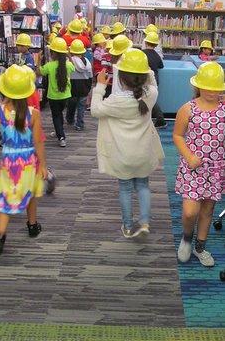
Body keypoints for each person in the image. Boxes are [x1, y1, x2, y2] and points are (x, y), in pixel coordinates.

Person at [91, 49, 164, 238]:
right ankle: (145, 222)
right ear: (144, 75)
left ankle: (128, 226)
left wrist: (99, 86)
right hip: (144, 153)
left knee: (125, 189)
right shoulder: (151, 94)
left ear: (120, 77)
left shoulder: (115, 101)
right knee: (143, 186)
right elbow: (152, 82)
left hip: (122, 155)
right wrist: (146, 71)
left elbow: (95, 110)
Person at [0, 65, 47, 256]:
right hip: (29, 161)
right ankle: (33, 225)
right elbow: (38, 141)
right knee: (31, 193)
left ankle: (0, 235)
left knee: (5, 195)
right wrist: (42, 164)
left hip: (8, 161)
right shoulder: (33, 113)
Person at [174, 61, 224, 267]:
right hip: (192, 168)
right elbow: (177, 135)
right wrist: (189, 156)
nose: (212, 93)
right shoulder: (188, 109)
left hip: (216, 168)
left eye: (217, 89)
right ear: (197, 86)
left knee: (207, 210)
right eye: (207, 87)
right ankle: (187, 237)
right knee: (190, 212)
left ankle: (200, 246)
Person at [39, 37, 74, 147]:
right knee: (59, 114)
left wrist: (38, 60)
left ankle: (61, 136)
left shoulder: (49, 65)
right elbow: (74, 67)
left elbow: (38, 72)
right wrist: (69, 55)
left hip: (53, 96)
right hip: (66, 95)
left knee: (56, 116)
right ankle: (59, 131)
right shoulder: (68, 65)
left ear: (53, 53)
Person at [66, 39, 92, 131]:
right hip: (84, 89)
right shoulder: (87, 62)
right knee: (81, 108)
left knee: (71, 106)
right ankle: (79, 125)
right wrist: (88, 88)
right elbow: (90, 76)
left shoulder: (70, 61)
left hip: (73, 89)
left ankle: (70, 119)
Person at [142, 31, 166, 129]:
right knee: (151, 97)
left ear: (146, 43)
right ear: (156, 45)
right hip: (155, 79)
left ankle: (160, 119)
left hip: (145, 79)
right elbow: (161, 65)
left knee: (146, 98)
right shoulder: (156, 55)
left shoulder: (142, 53)